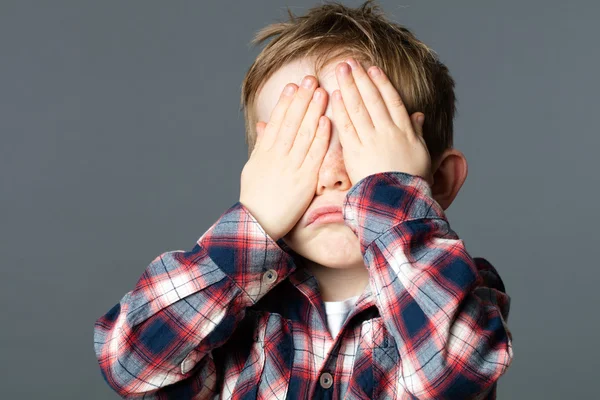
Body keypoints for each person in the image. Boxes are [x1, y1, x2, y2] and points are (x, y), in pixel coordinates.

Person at [93, 1, 513, 398]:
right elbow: (129, 362)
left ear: (437, 181)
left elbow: (453, 375)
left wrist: (391, 194)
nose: (331, 175)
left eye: (361, 147)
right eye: (303, 147)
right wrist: (255, 220)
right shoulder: (225, 308)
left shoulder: (461, 294)